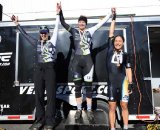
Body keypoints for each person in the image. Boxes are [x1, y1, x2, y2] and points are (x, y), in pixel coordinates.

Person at [57, 2, 112, 120]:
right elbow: (63, 22)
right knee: (77, 88)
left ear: (86, 24)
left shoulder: (90, 31)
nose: (81, 23)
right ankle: (78, 110)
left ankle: (89, 110)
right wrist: (60, 12)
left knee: (88, 88)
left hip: (88, 63)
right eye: (80, 22)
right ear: (78, 23)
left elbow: (101, 23)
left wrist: (110, 14)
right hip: (76, 63)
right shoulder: (73, 31)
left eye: (83, 22)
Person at [11, 4, 60, 130]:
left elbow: (56, 26)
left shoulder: (52, 41)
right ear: (40, 34)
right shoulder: (36, 42)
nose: (43, 35)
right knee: (38, 95)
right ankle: (39, 120)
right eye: (42, 33)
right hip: (38, 70)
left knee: (50, 96)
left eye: (45, 33)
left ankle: (50, 121)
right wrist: (17, 24)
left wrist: (58, 14)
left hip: (50, 69)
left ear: (48, 34)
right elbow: (25, 35)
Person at [107, 8, 133, 130]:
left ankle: (126, 127)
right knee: (112, 107)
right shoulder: (109, 50)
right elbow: (111, 33)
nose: (117, 42)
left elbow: (128, 69)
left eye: (120, 41)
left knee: (124, 105)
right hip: (112, 83)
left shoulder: (126, 54)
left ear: (123, 42)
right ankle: (112, 128)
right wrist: (114, 17)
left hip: (123, 83)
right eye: (116, 41)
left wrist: (131, 84)